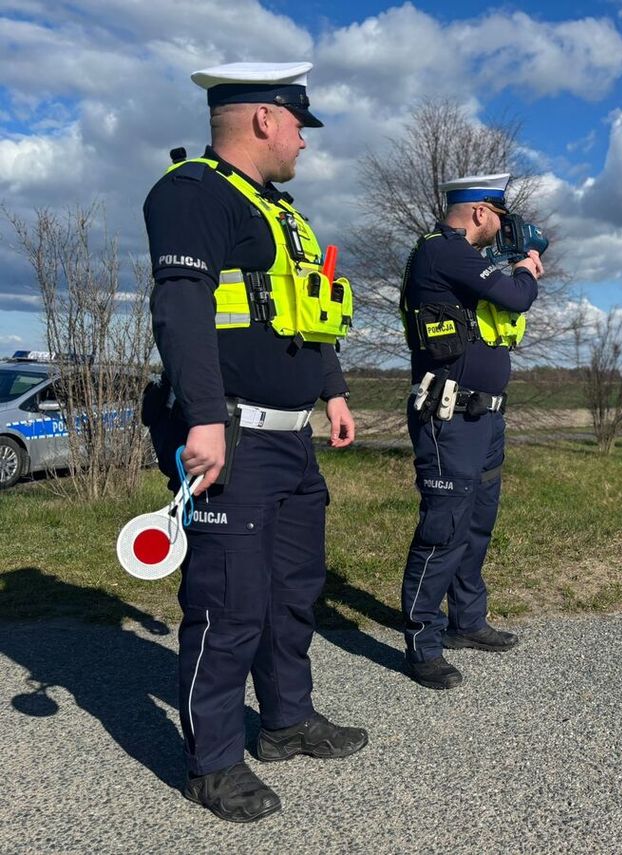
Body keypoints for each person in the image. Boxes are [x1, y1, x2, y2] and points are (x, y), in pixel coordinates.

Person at [143, 61, 367, 823]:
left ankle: (286, 720)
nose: (305, 139)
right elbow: (181, 307)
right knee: (228, 603)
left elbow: (309, 310)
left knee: (291, 591)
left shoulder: (283, 213)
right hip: (231, 435)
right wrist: (204, 416)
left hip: (292, 440)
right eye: (299, 123)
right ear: (265, 118)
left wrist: (333, 391)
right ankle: (211, 764)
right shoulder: (193, 193)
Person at [398, 173, 543, 690]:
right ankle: (423, 643)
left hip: (485, 418)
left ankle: (467, 620)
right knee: (445, 528)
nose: (503, 229)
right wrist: (526, 267)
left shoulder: (464, 261)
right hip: (449, 417)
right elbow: (515, 296)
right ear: (480, 211)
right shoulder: (443, 251)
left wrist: (515, 265)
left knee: (477, 522)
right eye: (499, 218)